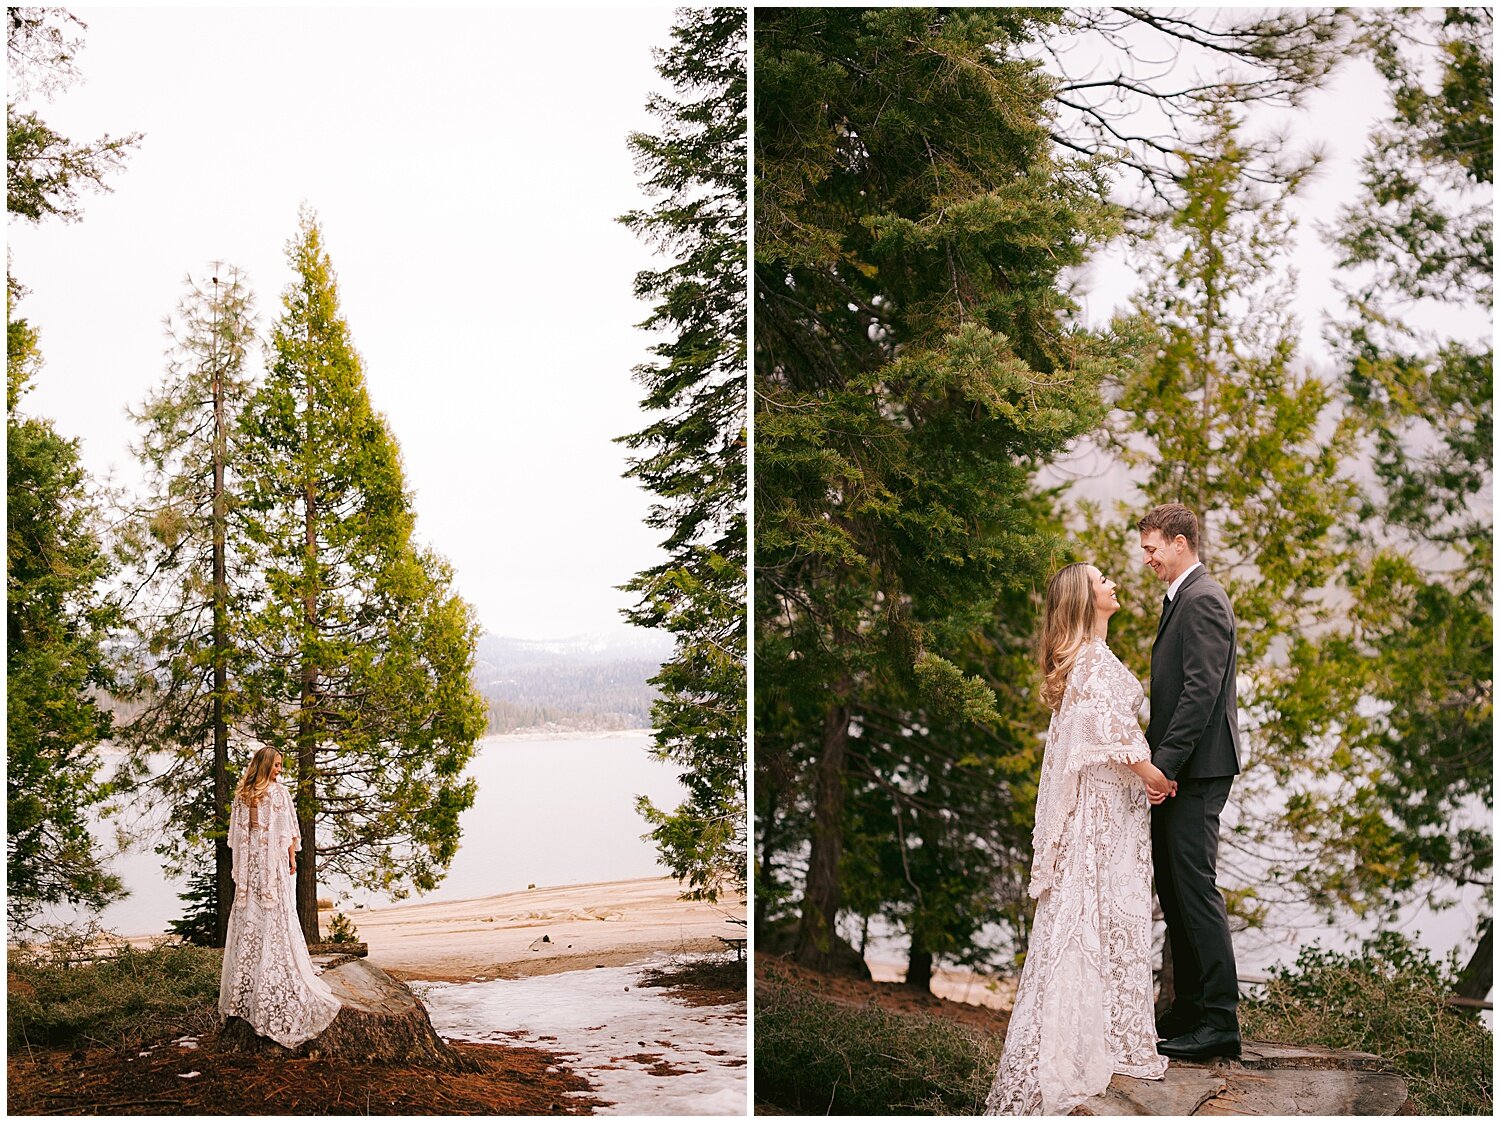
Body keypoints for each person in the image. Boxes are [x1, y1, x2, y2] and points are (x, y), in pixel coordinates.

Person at [986, 563, 1171, 1116]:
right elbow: (1105, 727)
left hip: (1113, 808)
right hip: (1100, 813)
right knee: (1095, 915)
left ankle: (1106, 1033)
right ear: (1086, 600)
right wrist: (1154, 775)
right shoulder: (1089, 660)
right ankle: (1081, 1047)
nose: (1113, 583)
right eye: (1101, 581)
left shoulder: (1092, 655)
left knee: (1110, 916)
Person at [1138, 503, 1243, 1060]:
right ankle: (1188, 1010)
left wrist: (1165, 766)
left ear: (1180, 543)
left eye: (1152, 548)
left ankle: (1220, 1021)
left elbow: (1201, 692)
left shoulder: (1203, 599)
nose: (1147, 559)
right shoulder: (1181, 598)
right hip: (1183, 769)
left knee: (1196, 890)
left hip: (1197, 772)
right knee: (1176, 891)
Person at [219, 746, 340, 1048]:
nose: (279, 770)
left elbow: (286, 832)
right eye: (275, 765)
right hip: (253, 869)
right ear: (263, 766)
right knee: (252, 914)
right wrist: (280, 857)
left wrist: (291, 858)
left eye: (281, 765)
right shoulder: (244, 796)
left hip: (269, 867)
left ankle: (273, 967)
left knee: (274, 913)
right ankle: (250, 976)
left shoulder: (277, 794)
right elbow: (239, 838)